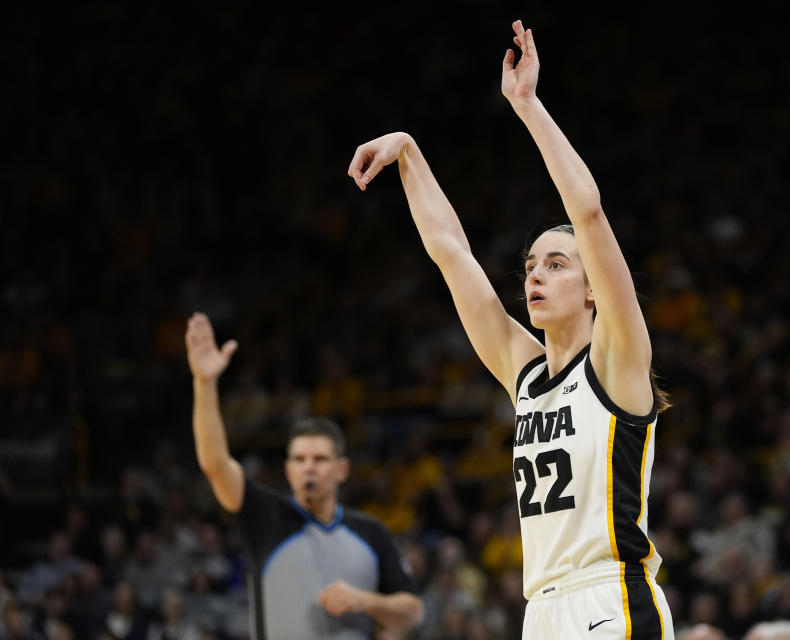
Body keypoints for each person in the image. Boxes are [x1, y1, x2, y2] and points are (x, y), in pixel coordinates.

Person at [348, 19, 674, 640]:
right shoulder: (524, 375)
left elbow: (589, 210)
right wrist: (409, 153)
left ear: (591, 291)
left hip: (610, 597)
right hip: (541, 611)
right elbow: (452, 255)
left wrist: (527, 106)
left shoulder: (618, 358)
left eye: (557, 264)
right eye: (530, 266)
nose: (536, 275)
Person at [184, 312, 423, 639]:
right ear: (287, 469)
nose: (308, 466)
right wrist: (204, 383)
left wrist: (364, 601)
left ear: (342, 469)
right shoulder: (265, 516)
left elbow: (413, 612)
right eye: (299, 459)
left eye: (319, 458)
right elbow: (215, 463)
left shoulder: (371, 532)